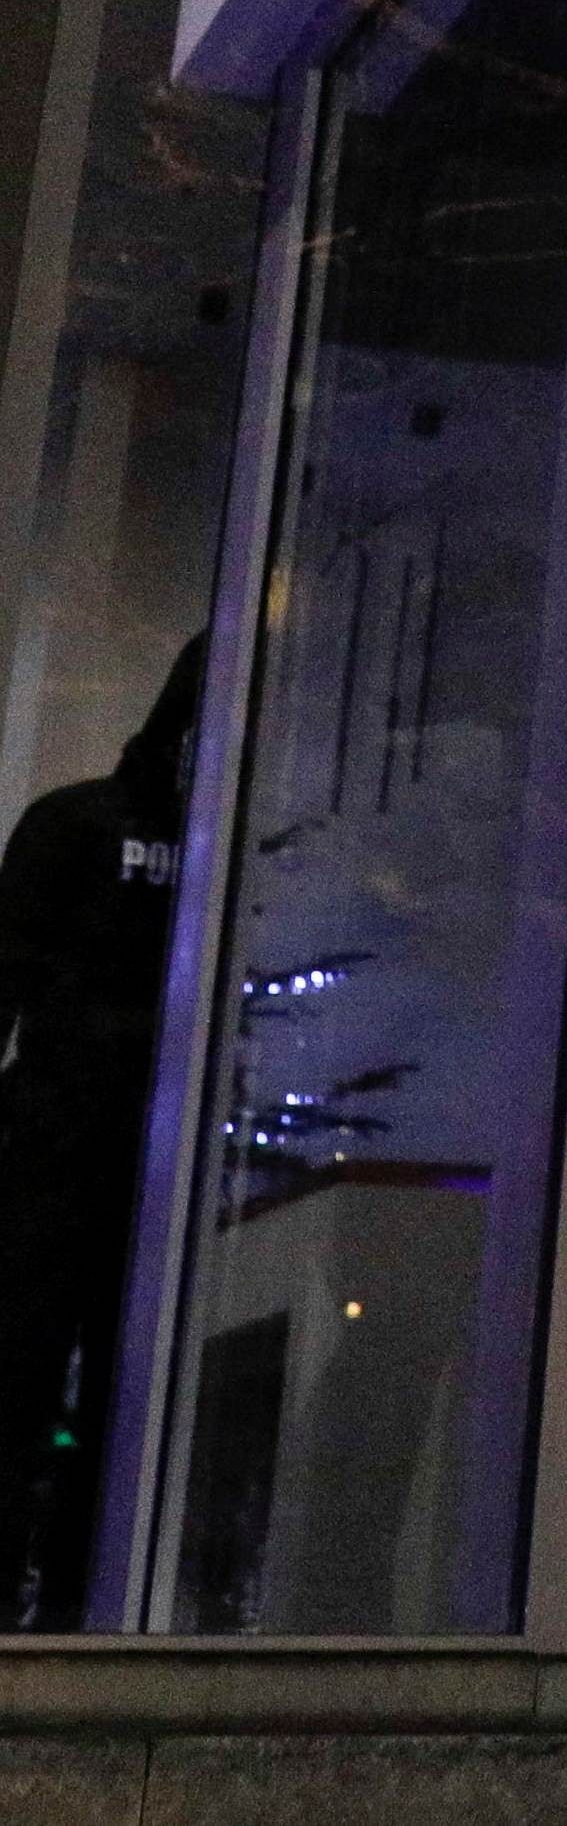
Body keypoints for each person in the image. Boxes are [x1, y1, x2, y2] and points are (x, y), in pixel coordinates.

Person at [0, 641, 198, 1628]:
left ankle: (86, 1614)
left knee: (128, 1407)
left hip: (164, 1174)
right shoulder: (79, 824)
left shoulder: (231, 848)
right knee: (22, 1382)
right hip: (56, 1155)